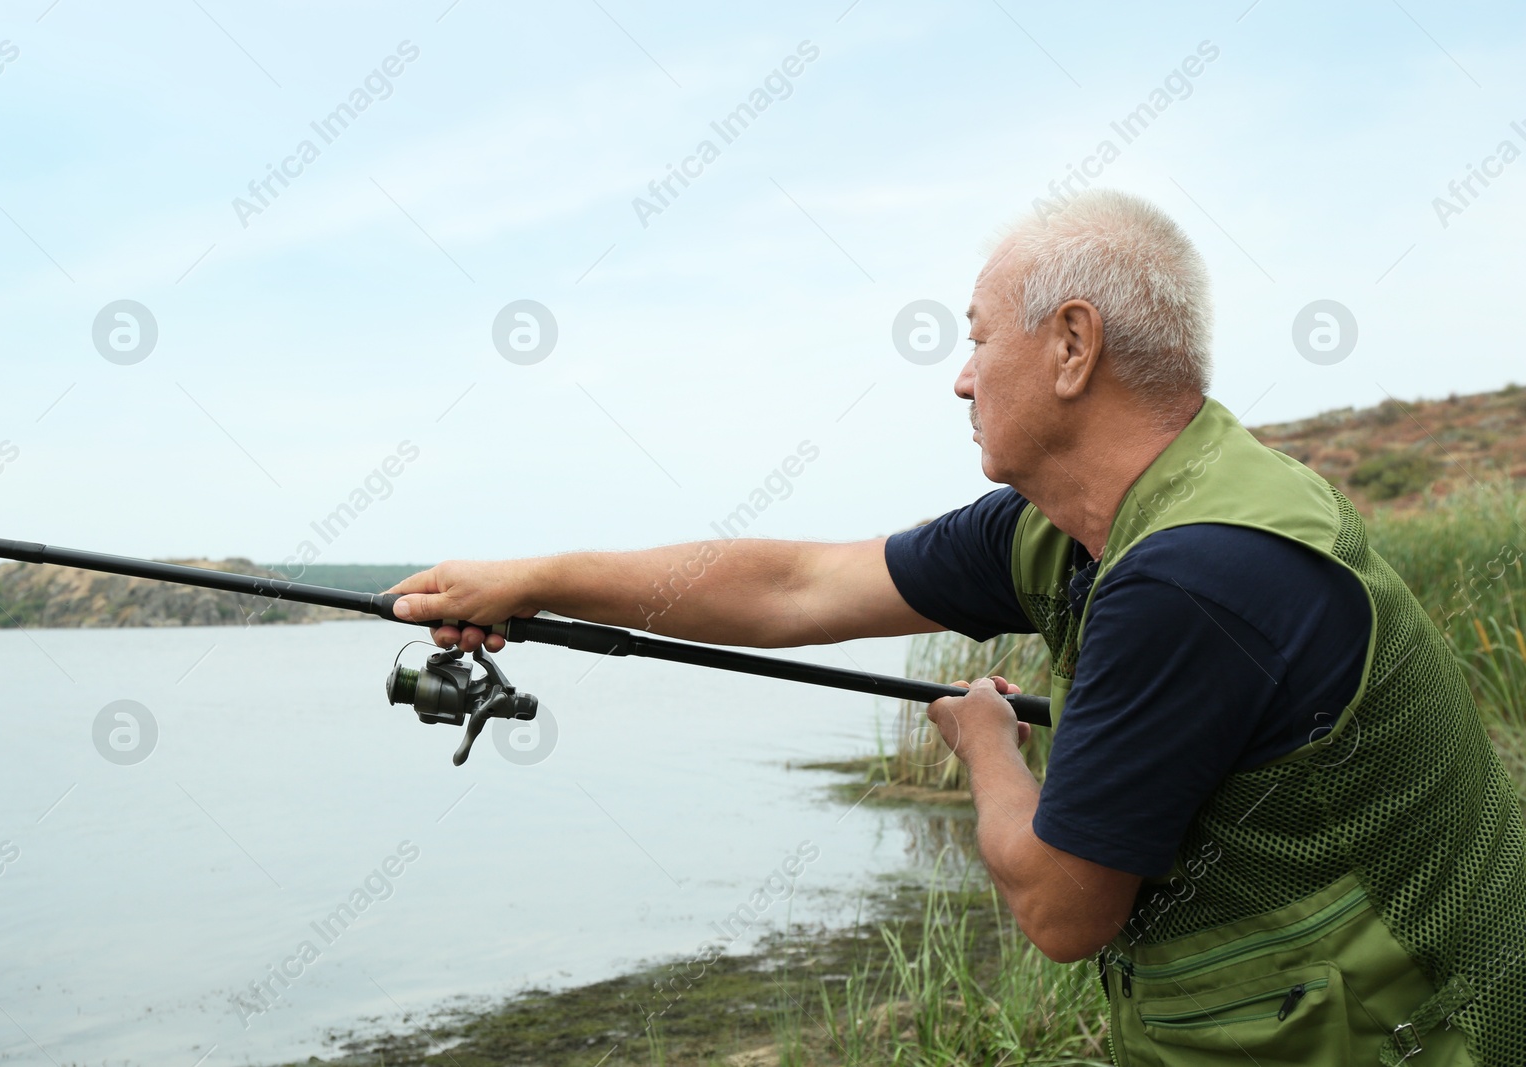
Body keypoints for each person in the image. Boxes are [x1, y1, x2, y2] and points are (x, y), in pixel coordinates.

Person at [389, 190, 1525, 1066]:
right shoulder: (1070, 523)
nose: (960, 378)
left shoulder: (1194, 575)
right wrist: (538, 579)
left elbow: (1060, 905)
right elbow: (797, 585)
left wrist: (989, 752)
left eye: (977, 338)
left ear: (1072, 346)